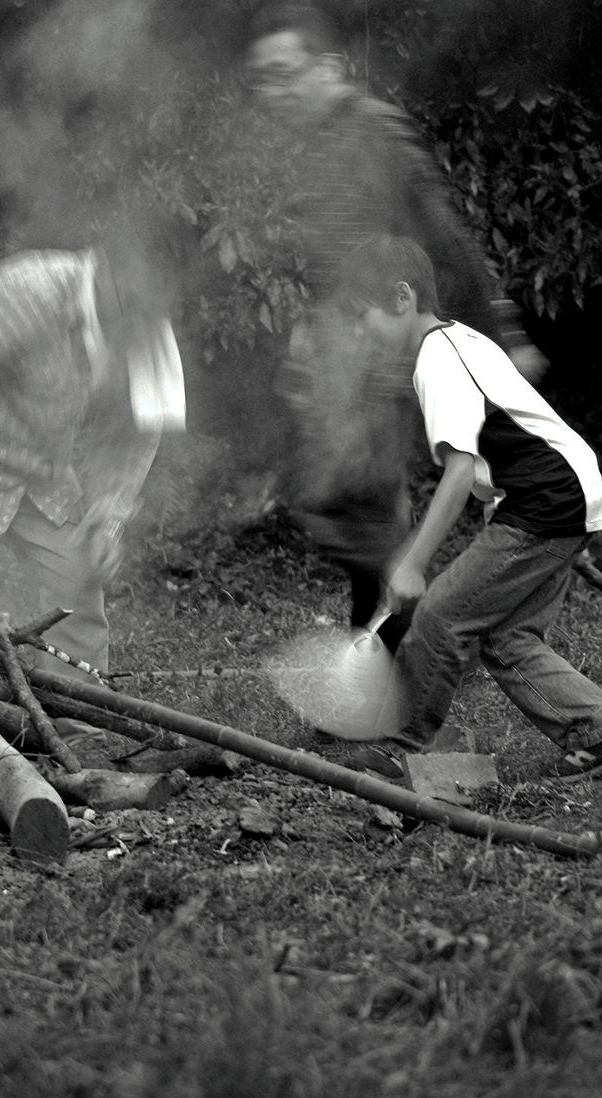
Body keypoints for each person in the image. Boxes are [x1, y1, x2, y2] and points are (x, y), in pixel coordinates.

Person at [244, 1, 545, 654]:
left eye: (286, 72)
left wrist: (505, 332)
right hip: (346, 356)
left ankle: (402, 679)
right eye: (263, 79)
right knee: (348, 511)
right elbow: (337, 260)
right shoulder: (313, 146)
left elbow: (444, 233)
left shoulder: (372, 131)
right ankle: (379, 669)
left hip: (384, 357)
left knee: (355, 514)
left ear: (328, 69)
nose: (275, 91)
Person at [333, 234, 602, 783]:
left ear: (402, 298)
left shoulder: (439, 359)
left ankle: (401, 746)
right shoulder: (458, 341)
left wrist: (411, 563)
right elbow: (494, 453)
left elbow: (458, 473)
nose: (362, 333)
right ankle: (593, 729)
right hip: (557, 494)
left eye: (364, 317)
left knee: (440, 617)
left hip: (545, 500)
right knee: (506, 637)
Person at [0, 239, 185, 679]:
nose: (145, 317)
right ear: (105, 272)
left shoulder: (143, 319)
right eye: (137, 300)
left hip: (37, 466)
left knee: (80, 577)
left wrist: (108, 521)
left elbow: (136, 434)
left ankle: (78, 726)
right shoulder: (29, 293)